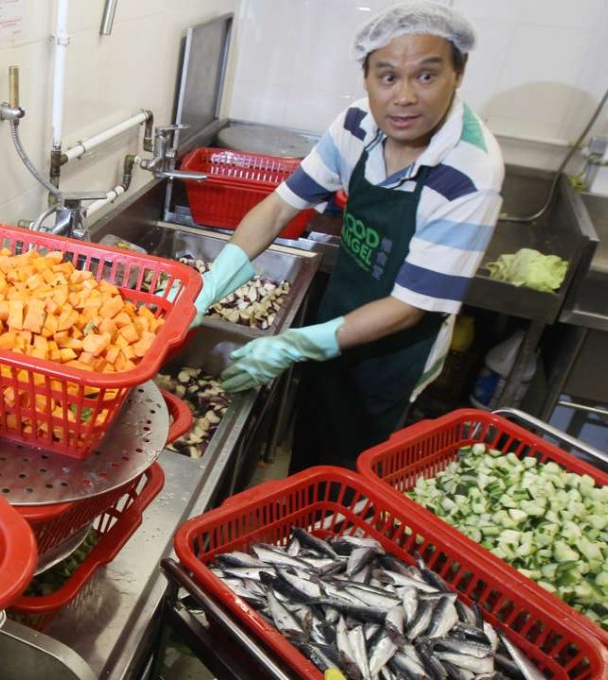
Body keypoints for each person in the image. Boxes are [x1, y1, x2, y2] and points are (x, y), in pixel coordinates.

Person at [194, 1, 504, 469]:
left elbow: (409, 308)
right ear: (366, 78)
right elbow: (280, 206)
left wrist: (294, 344)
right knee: (313, 439)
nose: (403, 97)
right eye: (387, 76)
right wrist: (214, 280)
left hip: (394, 352)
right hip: (338, 315)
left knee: (352, 467)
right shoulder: (357, 125)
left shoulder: (469, 173)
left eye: (425, 76)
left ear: (458, 74)